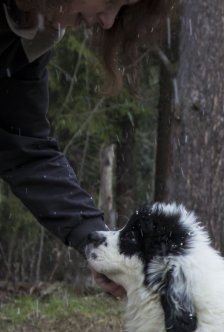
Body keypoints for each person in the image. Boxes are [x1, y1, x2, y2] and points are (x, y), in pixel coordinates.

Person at [0, 0, 168, 296]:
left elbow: (24, 148)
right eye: (111, 2)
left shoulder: (31, 37)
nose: (107, 21)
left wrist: (95, 239)